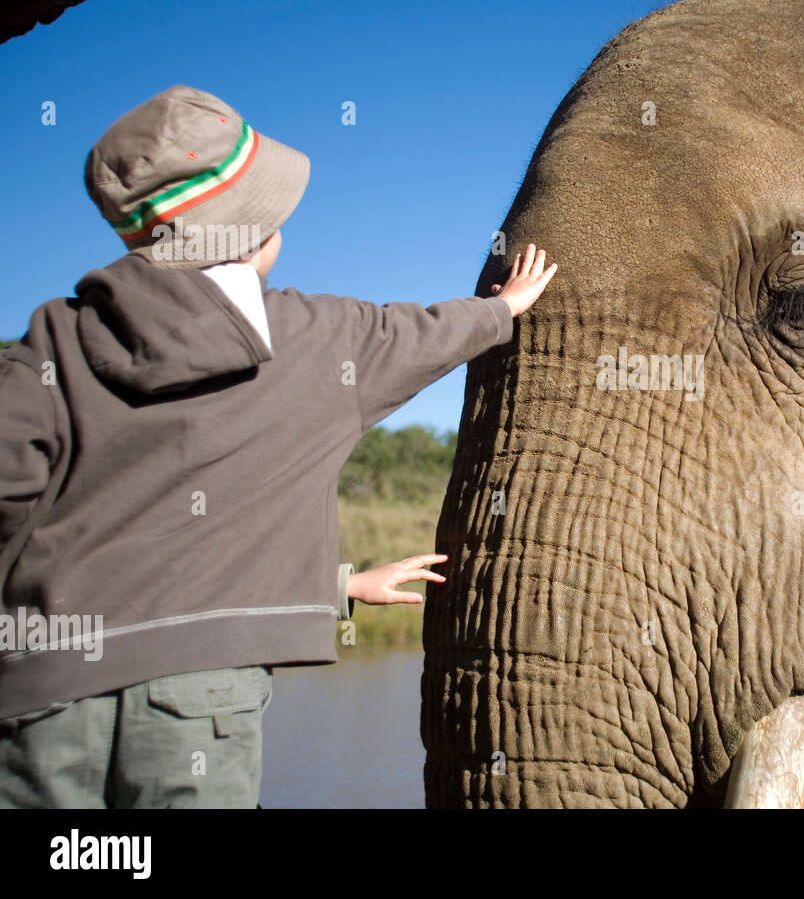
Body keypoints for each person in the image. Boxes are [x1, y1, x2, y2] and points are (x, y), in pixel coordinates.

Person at [0, 85, 556, 807]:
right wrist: (503, 308)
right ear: (258, 234)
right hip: (199, 706)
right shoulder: (317, 340)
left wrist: (336, 587)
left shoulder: (50, 343)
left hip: (37, 698)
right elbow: (429, 336)